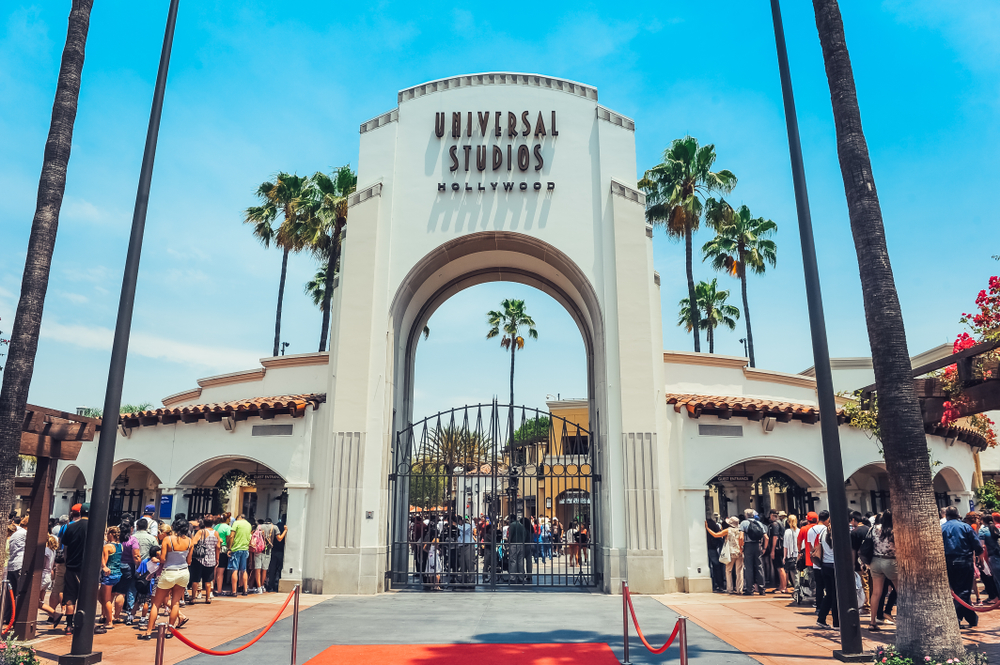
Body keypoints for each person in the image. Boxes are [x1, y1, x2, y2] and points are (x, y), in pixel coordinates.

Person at [139, 518, 191, 640]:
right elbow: (189, 561)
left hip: (169, 572)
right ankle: (170, 630)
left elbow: (162, 559)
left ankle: (148, 631)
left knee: (156, 603)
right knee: (175, 602)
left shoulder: (168, 539)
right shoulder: (189, 541)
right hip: (183, 572)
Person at [942, 505, 982, 628]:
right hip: (964, 561)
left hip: (948, 562)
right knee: (964, 591)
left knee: (958, 591)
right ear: (958, 515)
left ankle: (971, 618)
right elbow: (977, 545)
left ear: (946, 516)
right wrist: (979, 556)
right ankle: (957, 618)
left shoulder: (941, 528)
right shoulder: (965, 527)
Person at [60, 503, 89, 635]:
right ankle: (84, 626)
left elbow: (65, 548)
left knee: (70, 596)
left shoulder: (70, 527)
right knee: (86, 596)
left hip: (72, 566)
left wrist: (67, 562)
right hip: (88, 568)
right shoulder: (94, 527)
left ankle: (69, 626)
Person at [865, 510, 896, 631]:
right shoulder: (894, 530)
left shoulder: (874, 528)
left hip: (875, 560)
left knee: (876, 593)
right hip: (891, 561)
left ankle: (872, 621)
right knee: (900, 591)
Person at [812, 511, 839, 631]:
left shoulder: (823, 532)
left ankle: (822, 618)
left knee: (830, 593)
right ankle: (836, 622)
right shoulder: (836, 533)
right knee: (836, 595)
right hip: (835, 566)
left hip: (825, 565)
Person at [707, 516, 743, 594]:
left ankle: (729, 588)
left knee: (728, 571)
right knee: (739, 571)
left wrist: (707, 528)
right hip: (739, 552)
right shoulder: (740, 530)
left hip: (730, 552)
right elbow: (741, 539)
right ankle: (739, 589)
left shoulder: (728, 530)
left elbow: (715, 535)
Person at [114, 520, 140, 624]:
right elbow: (136, 555)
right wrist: (139, 566)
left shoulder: (117, 540)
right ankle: (127, 612)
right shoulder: (132, 540)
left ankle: (109, 614)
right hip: (128, 567)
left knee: (113, 592)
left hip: (116, 565)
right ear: (131, 529)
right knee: (126, 591)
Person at [98, 525, 123, 632]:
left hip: (109, 574)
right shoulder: (120, 546)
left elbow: (104, 561)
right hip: (117, 573)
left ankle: (109, 621)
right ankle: (109, 614)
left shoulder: (107, 547)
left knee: (106, 599)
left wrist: (103, 566)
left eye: (107, 533)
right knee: (101, 595)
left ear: (111, 534)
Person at [190, 517, 220, 603]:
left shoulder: (201, 532)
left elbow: (194, 543)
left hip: (199, 558)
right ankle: (207, 598)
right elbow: (218, 547)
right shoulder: (216, 533)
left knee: (196, 579)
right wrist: (217, 558)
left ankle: (193, 598)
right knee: (208, 580)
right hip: (211, 559)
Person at [740, 508, 767, 595]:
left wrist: (741, 547)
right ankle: (762, 589)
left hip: (748, 546)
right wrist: (764, 548)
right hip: (758, 545)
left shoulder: (744, 523)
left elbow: (741, 537)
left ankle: (749, 589)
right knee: (759, 566)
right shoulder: (759, 523)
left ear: (746, 515)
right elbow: (766, 537)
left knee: (749, 568)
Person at [849, 511, 871, 614]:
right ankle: (869, 603)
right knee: (870, 583)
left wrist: (853, 563)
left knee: (862, 584)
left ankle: (865, 605)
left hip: (859, 561)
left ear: (853, 520)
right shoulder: (869, 529)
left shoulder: (854, 532)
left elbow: (853, 550)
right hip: (870, 560)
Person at [227, 513, 252, 596]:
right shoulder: (249, 525)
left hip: (236, 548)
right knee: (243, 570)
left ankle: (234, 591)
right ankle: (245, 590)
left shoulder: (236, 523)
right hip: (245, 549)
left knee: (234, 569)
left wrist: (229, 548)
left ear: (239, 518)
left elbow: (231, 536)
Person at [980, 513, 1000, 600]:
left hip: (994, 557)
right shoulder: (998, 528)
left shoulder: (983, 530)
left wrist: (981, 560)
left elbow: (981, 546)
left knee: (998, 580)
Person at [706, 511, 726, 592]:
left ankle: (714, 584)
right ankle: (720, 584)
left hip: (708, 547)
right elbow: (718, 534)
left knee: (711, 566)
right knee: (716, 566)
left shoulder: (707, 523)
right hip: (712, 547)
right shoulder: (712, 523)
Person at [213, 514, 232, 593]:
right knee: (220, 572)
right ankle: (219, 590)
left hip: (215, 548)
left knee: (214, 570)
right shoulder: (228, 528)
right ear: (227, 519)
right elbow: (229, 538)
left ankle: (211, 589)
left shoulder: (216, 526)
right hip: (223, 549)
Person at [782, 514, 799, 594]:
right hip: (798, 554)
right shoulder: (799, 531)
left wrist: (784, 556)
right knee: (799, 572)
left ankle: (796, 589)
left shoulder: (787, 532)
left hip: (790, 555)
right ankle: (800, 588)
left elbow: (785, 546)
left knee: (793, 573)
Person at [766, 509, 783, 589]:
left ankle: (782, 586)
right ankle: (782, 585)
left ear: (772, 515)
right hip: (782, 547)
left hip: (777, 548)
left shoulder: (775, 524)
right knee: (781, 567)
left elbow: (775, 537)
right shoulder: (781, 523)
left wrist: (772, 550)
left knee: (779, 567)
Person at [508, 514, 527, 584]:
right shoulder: (521, 525)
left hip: (514, 544)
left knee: (513, 560)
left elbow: (510, 534)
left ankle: (512, 577)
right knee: (520, 561)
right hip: (521, 544)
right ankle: (521, 577)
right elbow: (524, 535)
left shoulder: (512, 525)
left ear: (512, 519)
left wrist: (508, 543)